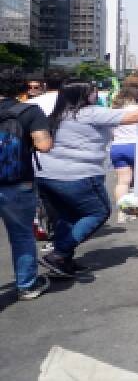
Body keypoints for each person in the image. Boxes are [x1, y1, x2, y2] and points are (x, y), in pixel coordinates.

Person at [37, 80, 138, 278]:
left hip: (46, 175)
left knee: (68, 217)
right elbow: (135, 116)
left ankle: (64, 260)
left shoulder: (58, 115)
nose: (96, 95)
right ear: (82, 95)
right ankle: (59, 254)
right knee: (97, 212)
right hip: (78, 175)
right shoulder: (88, 112)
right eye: (92, 92)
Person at [0, 66, 54, 300]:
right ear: (22, 88)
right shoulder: (29, 111)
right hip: (17, 181)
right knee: (21, 234)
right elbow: (44, 146)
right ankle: (27, 285)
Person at [109, 82, 138, 224]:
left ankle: (122, 212)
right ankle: (133, 210)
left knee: (122, 181)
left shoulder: (113, 110)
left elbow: (111, 131)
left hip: (118, 147)